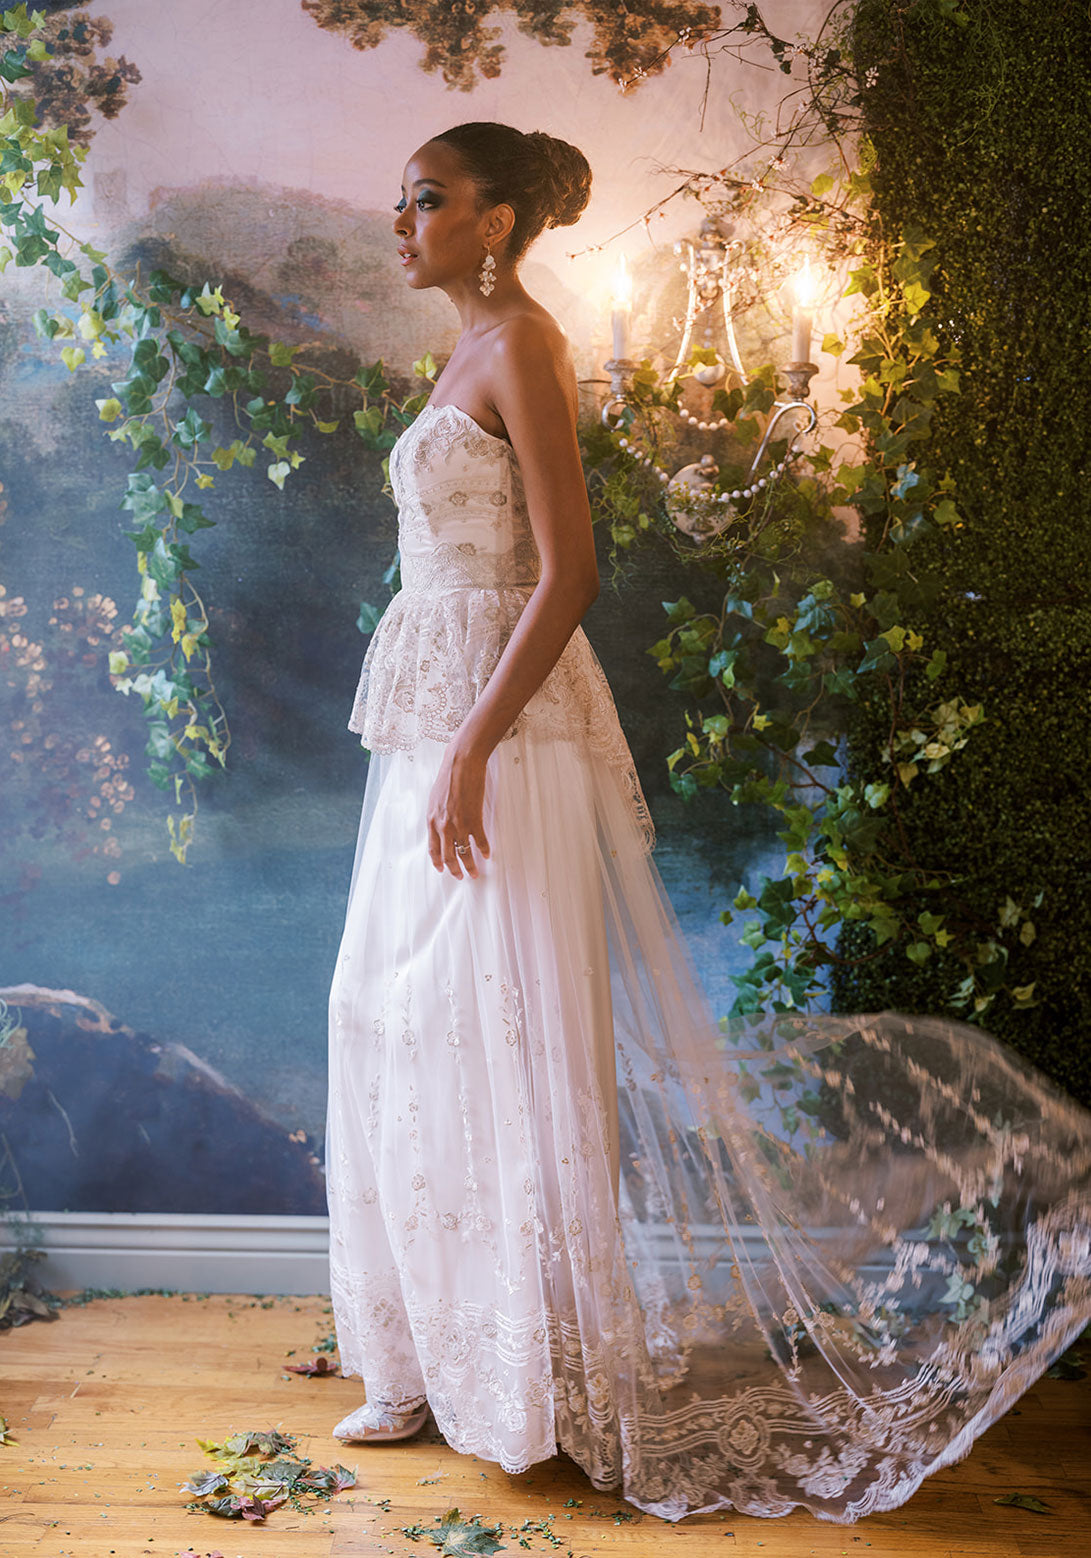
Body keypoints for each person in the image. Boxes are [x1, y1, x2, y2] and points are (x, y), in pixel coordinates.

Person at [325, 121, 1091, 1524]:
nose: (402, 218)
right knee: (394, 1015)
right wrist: (440, 744)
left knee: (505, 1031)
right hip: (431, 730)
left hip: (502, 734)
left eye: (427, 198)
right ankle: (428, 1351)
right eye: (402, 196)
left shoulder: (526, 349)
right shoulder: (460, 350)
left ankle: (534, 1378)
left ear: (495, 223)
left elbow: (569, 574)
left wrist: (478, 747)